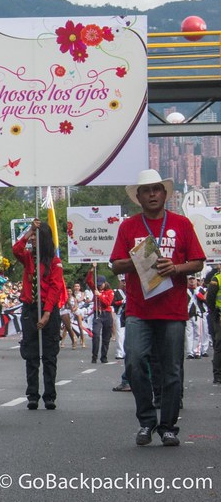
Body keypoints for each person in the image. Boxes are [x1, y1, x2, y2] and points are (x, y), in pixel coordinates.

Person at [110, 169, 205, 447]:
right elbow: (115, 265)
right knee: (134, 361)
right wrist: (140, 260)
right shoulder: (128, 227)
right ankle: (146, 421)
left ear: (164, 194)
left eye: (156, 189)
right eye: (146, 191)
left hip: (172, 310)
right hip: (139, 310)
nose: (152, 194)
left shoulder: (181, 224)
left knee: (172, 370)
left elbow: (198, 262)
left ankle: (168, 427)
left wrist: (175, 268)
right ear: (138, 197)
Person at [13, 219, 65, 410]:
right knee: (31, 355)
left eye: (36, 236)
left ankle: (49, 396)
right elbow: (16, 249)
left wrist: (47, 314)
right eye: (32, 236)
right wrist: (29, 231)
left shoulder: (54, 262)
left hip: (48, 309)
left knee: (49, 355)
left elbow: (55, 288)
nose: (33, 239)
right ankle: (32, 395)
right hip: (30, 309)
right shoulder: (28, 258)